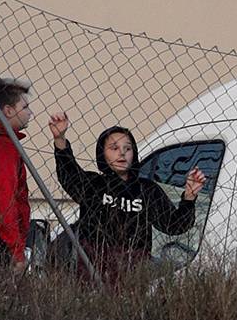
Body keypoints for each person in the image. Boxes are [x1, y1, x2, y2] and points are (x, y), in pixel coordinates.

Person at [47, 118, 204, 280]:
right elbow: (69, 174)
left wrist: (189, 197)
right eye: (114, 148)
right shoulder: (95, 185)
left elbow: (173, 225)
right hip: (93, 269)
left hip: (133, 272)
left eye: (127, 148)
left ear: (134, 154)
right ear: (103, 154)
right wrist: (60, 139)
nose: (121, 153)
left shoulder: (147, 190)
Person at [0, 76, 33, 265]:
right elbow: (4, 202)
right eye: (25, 107)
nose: (30, 113)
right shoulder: (3, 147)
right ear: (8, 111)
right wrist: (16, 252)